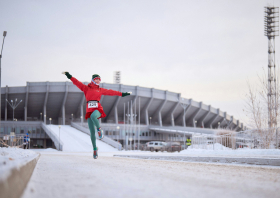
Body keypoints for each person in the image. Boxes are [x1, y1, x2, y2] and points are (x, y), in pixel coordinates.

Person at [63, 72, 130, 159]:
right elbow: (77, 82)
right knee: (91, 132)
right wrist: (69, 76)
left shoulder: (100, 89)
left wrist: (122, 94)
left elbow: (111, 92)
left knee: (94, 116)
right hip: (89, 111)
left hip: (97, 109)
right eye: (97, 79)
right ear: (93, 80)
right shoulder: (86, 88)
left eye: (99, 79)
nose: (98, 81)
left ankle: (99, 129)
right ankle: (95, 149)